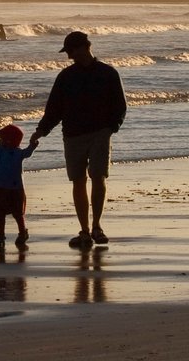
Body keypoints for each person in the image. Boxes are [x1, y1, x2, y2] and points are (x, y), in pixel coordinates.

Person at [29, 31, 126, 249]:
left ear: (84, 47)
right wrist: (41, 131)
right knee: (78, 180)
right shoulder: (66, 76)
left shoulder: (108, 73)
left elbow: (120, 105)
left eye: (71, 51)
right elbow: (54, 109)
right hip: (72, 134)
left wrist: (112, 127)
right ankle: (84, 229)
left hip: (100, 132)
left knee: (98, 176)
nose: (69, 56)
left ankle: (97, 226)